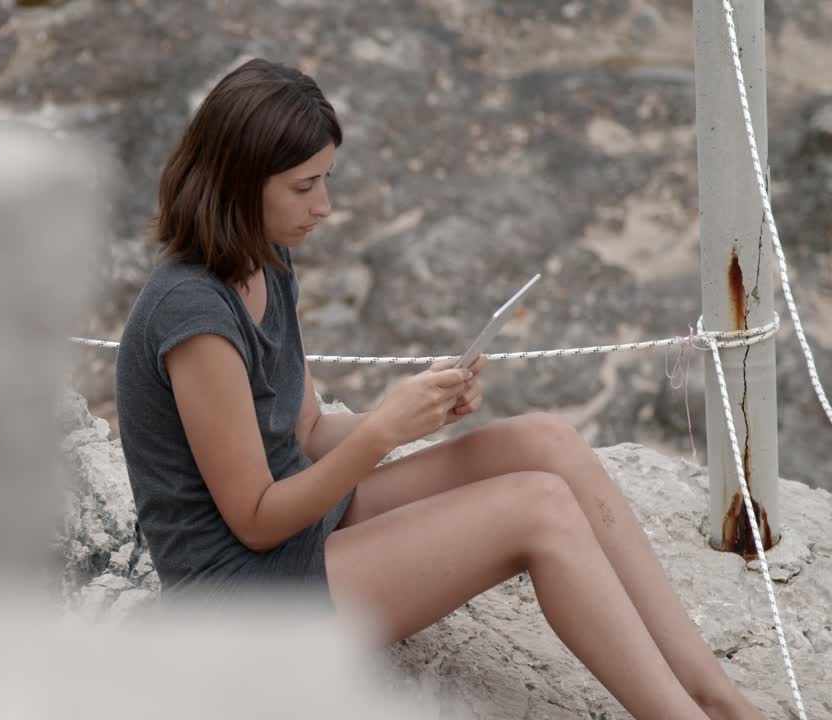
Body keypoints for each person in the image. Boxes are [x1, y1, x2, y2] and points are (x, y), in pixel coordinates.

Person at [113, 58, 762, 720]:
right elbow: (254, 521)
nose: (324, 206)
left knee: (546, 441)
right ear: (239, 182)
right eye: (304, 186)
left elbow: (307, 433)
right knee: (537, 509)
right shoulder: (193, 316)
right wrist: (382, 432)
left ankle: (717, 697)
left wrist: (418, 410)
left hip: (305, 529)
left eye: (327, 179)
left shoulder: (266, 261)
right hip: (242, 602)